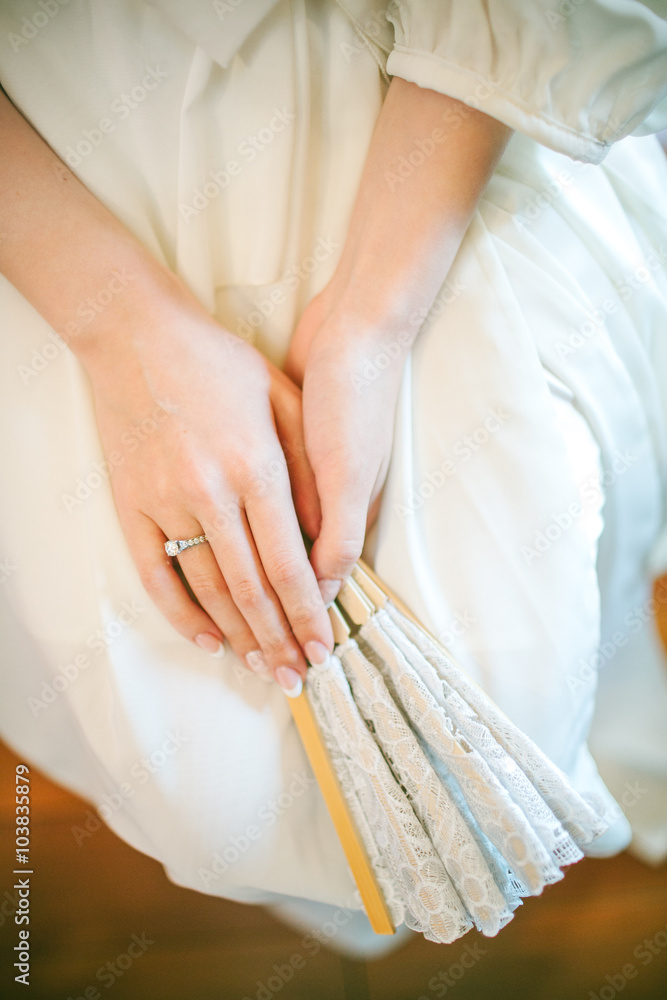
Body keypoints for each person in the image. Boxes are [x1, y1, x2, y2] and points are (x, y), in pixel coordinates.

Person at [1, 0, 666, 953]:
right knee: (209, 784)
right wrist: (121, 330)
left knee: (514, 665)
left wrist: (371, 312)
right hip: (44, 171)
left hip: (425, 80)